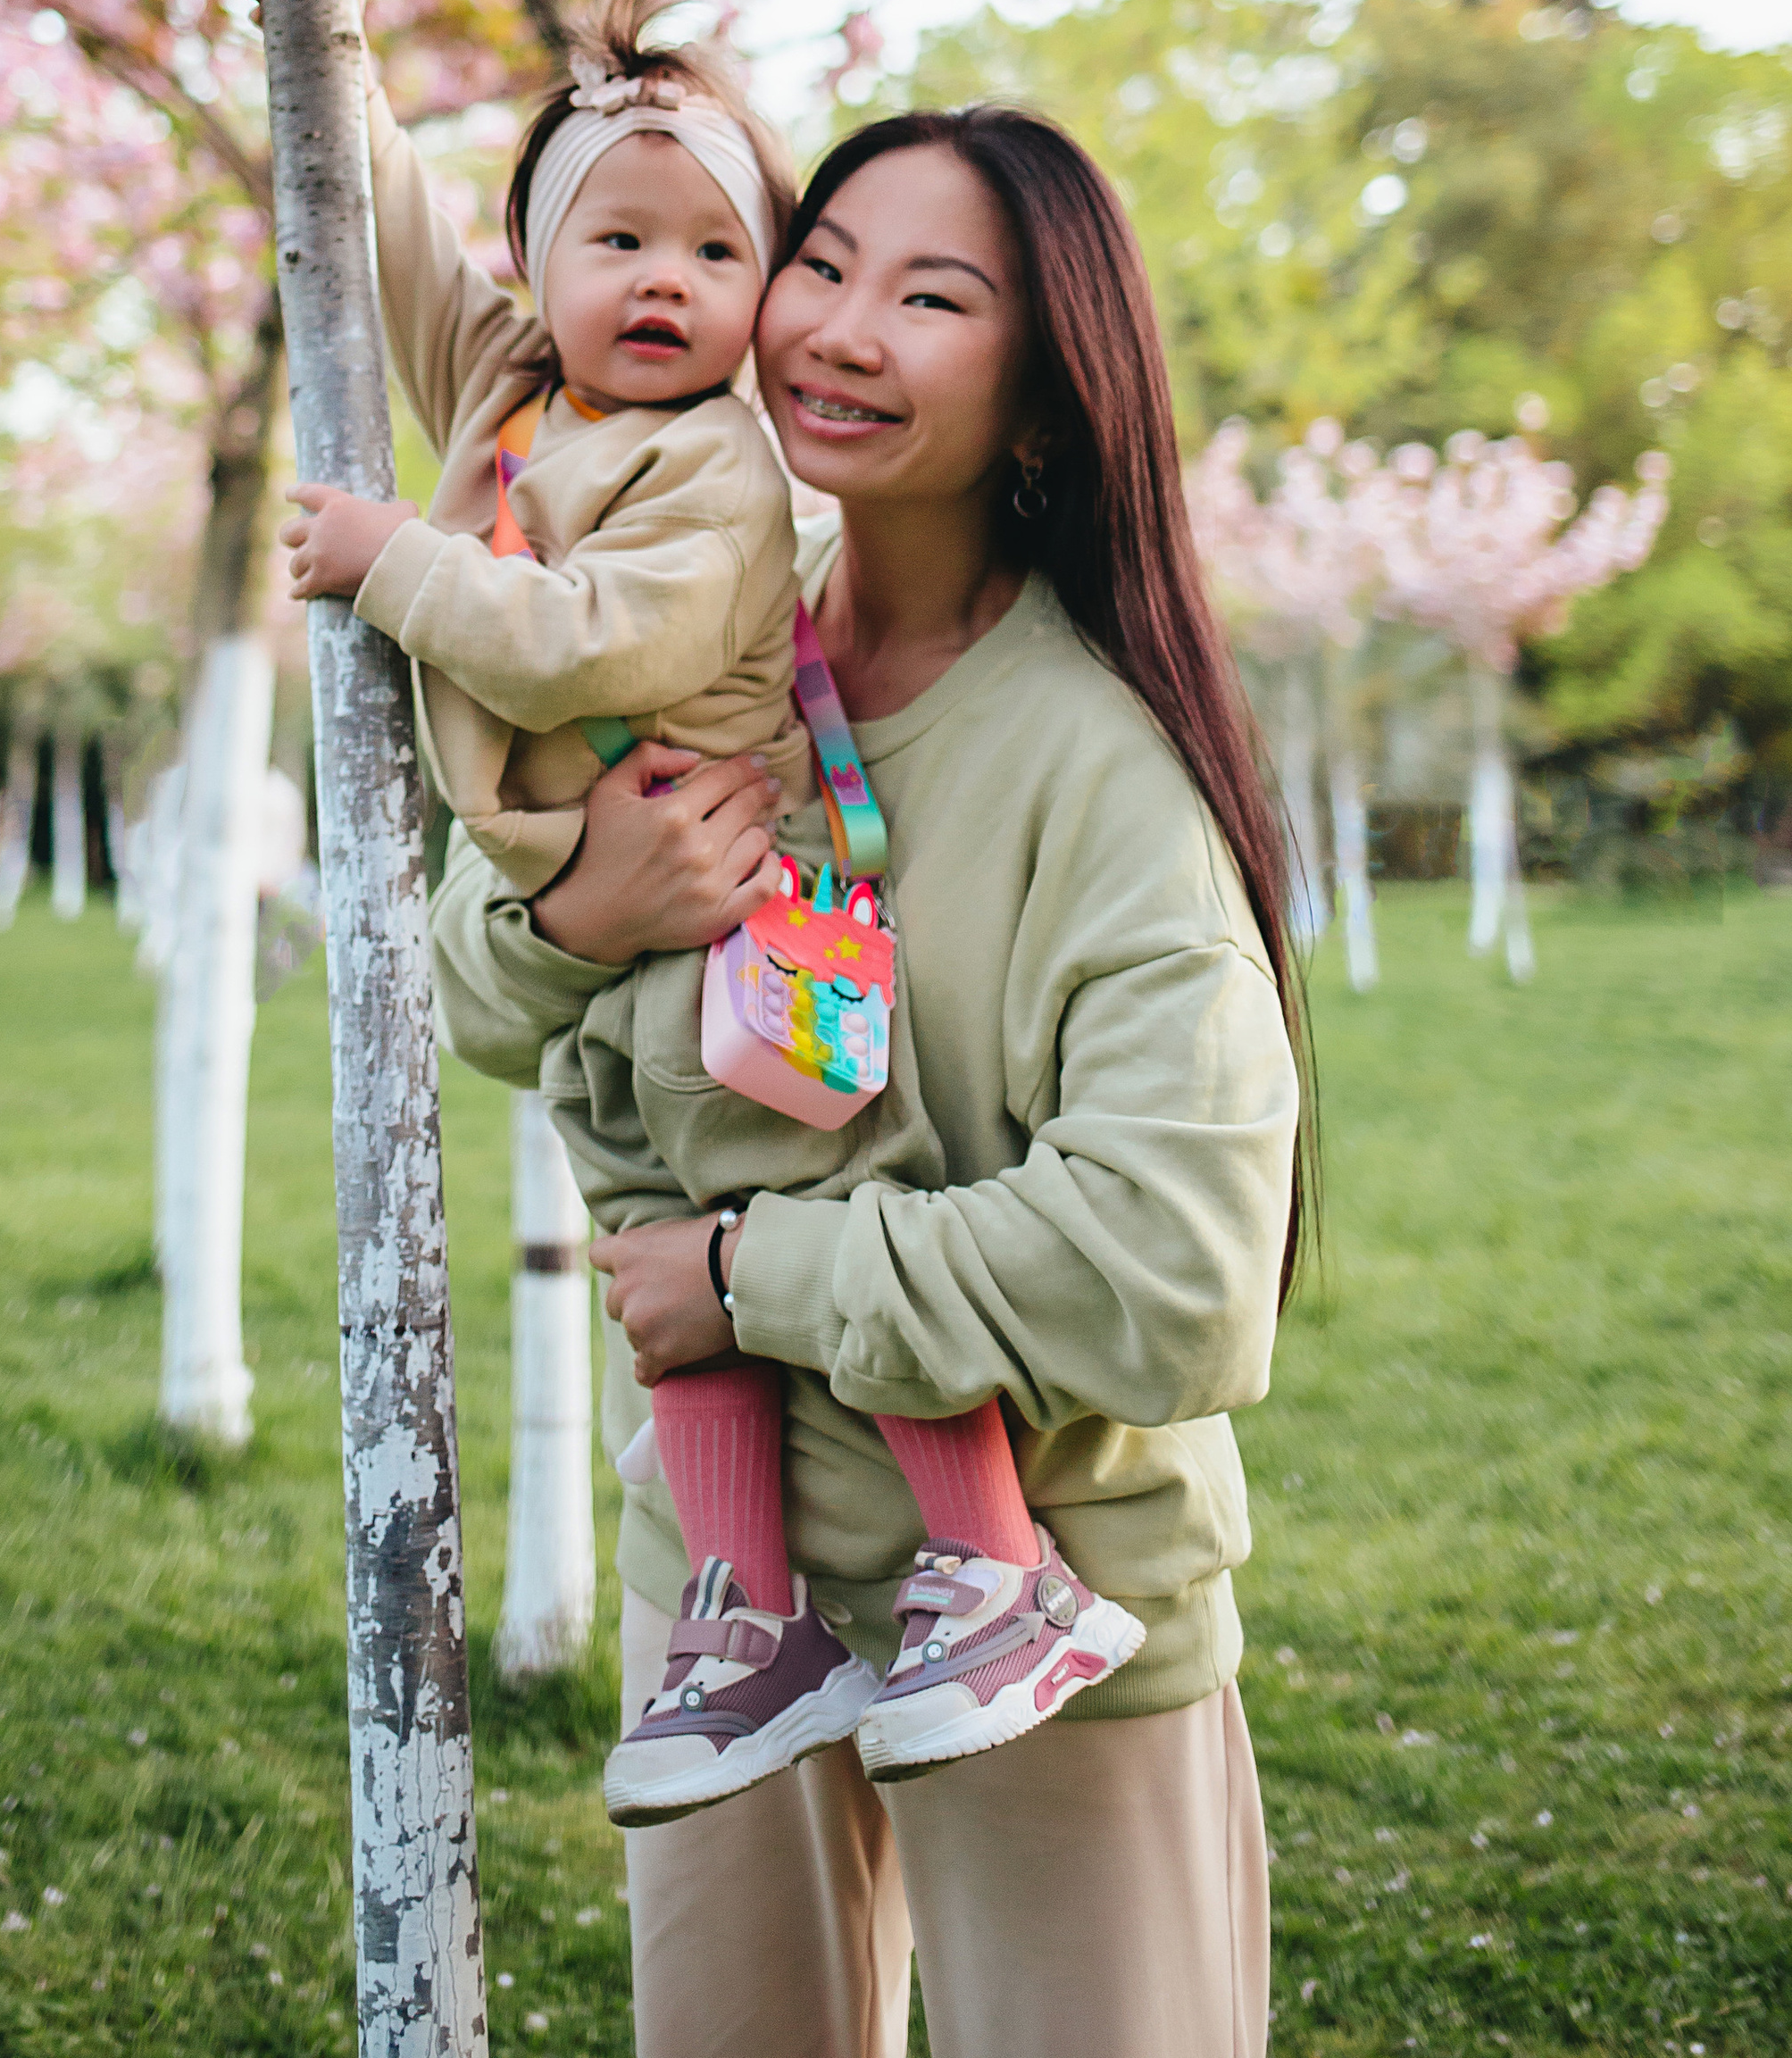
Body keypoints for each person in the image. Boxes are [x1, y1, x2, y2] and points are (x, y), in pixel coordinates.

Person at [431, 105, 1307, 2058]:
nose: (834, 327)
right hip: (725, 1612)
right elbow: (474, 989)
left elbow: (1176, 1273)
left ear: (1043, 401)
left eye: (927, 295)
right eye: (816, 263)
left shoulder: (1100, 769)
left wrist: (749, 1280)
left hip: (1050, 1621)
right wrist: (585, 912)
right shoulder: (700, 618)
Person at [279, 0, 1138, 1825]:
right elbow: (406, 249)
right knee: (672, 1291)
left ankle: (1002, 1570)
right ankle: (746, 1622)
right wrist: (322, 49)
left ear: (756, 304)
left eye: (713, 250)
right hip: (620, 973)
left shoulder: (709, 463)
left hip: (740, 946)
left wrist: (391, 566)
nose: (659, 281)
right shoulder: (525, 393)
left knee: (822, 1200)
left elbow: (593, 633)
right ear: (540, 255)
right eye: (615, 240)